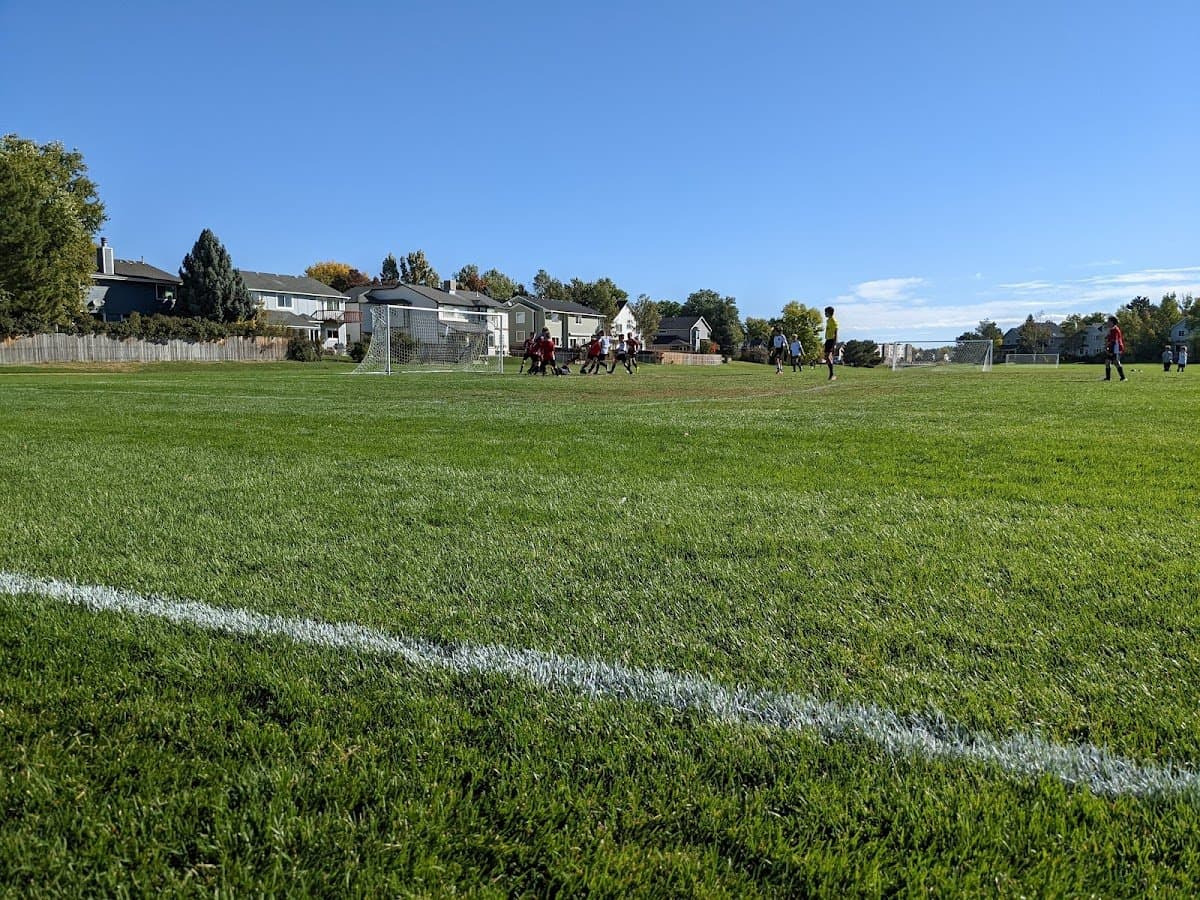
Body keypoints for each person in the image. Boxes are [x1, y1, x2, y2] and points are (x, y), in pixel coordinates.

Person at [1104, 315, 1126, 382]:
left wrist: (1108, 348)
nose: (1107, 322)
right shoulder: (1111, 329)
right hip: (1112, 347)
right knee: (1107, 362)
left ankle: (1123, 378)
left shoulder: (1115, 330)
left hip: (1115, 348)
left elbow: (1114, 341)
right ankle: (1108, 378)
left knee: (1116, 362)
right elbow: (1109, 339)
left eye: (1108, 321)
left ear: (1112, 322)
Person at [823, 306, 839, 381]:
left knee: (828, 357)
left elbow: (836, 333)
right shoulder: (828, 320)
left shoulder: (833, 321)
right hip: (827, 340)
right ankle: (832, 374)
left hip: (831, 340)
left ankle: (832, 374)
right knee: (827, 357)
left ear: (829, 313)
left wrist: (834, 344)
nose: (824, 314)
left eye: (825, 312)